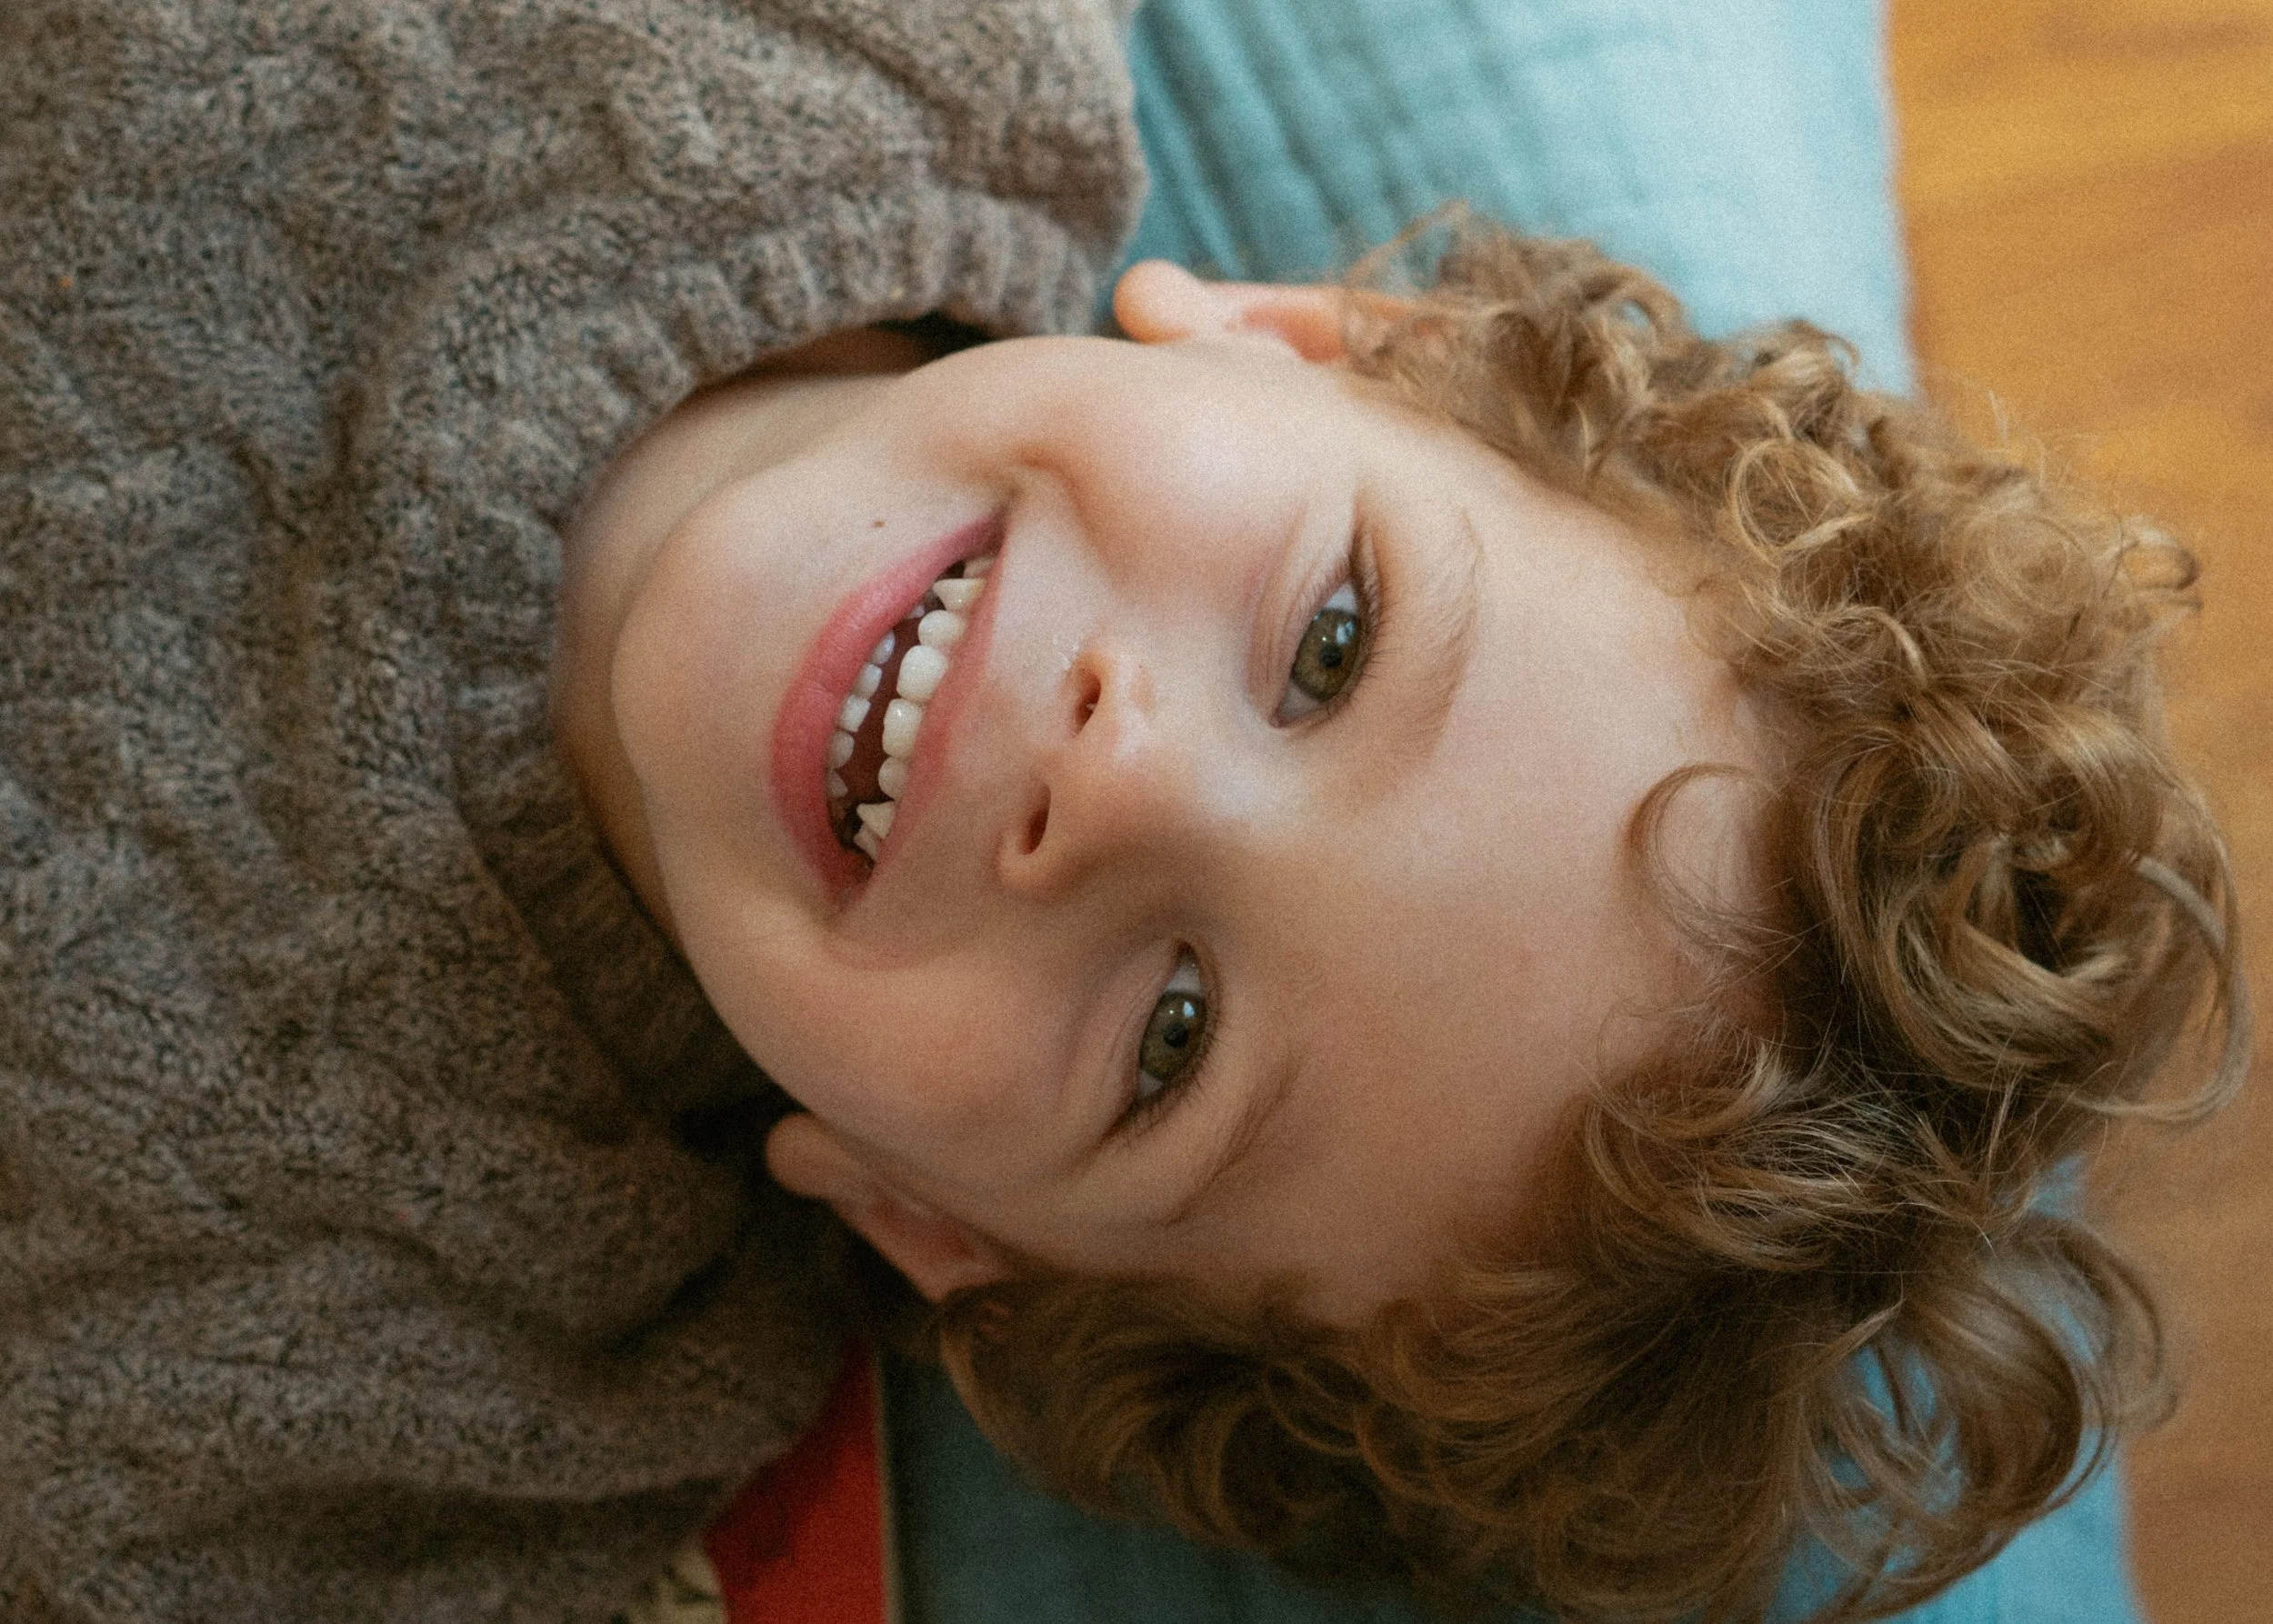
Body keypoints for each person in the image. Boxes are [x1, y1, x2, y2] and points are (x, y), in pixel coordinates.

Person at [0, 6, 2241, 1624]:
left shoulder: (429, 1401)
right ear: (1311, 341)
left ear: (938, 1230)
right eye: (1331, 641)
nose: (1124, 775)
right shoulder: (868, 50)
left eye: (1173, 1036)